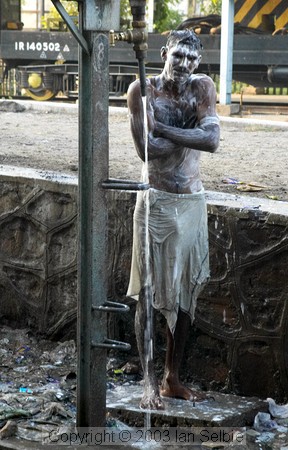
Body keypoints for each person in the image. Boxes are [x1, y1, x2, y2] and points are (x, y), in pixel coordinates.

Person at [126, 29, 220, 410]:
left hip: (192, 201)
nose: (184, 64)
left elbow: (212, 141)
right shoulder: (141, 90)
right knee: (148, 295)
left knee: (185, 297)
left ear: (198, 63)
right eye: (178, 55)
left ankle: (172, 378)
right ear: (164, 52)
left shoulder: (203, 88)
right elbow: (148, 152)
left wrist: (163, 128)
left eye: (192, 59)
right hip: (157, 201)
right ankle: (149, 382)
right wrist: (191, 133)